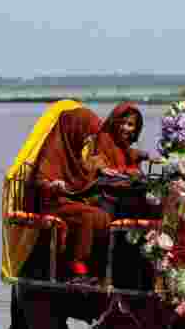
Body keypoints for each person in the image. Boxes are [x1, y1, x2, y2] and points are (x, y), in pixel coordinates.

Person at [32, 102, 147, 280]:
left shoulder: (76, 152)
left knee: (102, 216)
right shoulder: (53, 150)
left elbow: (90, 169)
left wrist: (102, 170)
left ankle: (100, 267)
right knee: (90, 216)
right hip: (54, 202)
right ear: (73, 130)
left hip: (73, 200)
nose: (88, 140)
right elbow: (40, 180)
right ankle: (77, 267)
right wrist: (54, 185)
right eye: (85, 134)